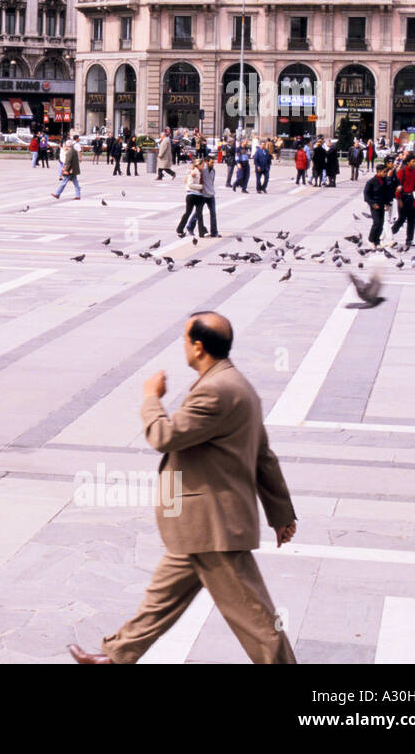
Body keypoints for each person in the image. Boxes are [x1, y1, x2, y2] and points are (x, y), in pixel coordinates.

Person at [68, 312, 297, 665]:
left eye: (185, 341)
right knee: (161, 599)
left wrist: (151, 398)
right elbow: (263, 456)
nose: (184, 347)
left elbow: (164, 436)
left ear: (199, 347)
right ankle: (115, 657)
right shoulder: (237, 385)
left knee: (257, 620)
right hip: (198, 524)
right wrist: (280, 514)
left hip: (214, 526)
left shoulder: (217, 392)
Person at [391, 154, 415, 248]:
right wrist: (399, 199)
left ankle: (409, 240)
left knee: (412, 219)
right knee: (401, 218)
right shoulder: (402, 171)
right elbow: (397, 186)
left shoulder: (414, 172)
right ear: (408, 162)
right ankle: (390, 233)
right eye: (413, 161)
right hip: (403, 197)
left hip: (411, 197)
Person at [176, 160, 206, 238]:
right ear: (198, 165)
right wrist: (201, 187)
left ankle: (201, 232)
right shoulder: (194, 172)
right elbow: (190, 185)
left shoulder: (200, 172)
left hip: (199, 195)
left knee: (199, 214)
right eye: (202, 165)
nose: (203, 166)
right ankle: (179, 229)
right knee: (188, 213)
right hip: (192, 195)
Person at [52, 135, 82, 200]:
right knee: (76, 183)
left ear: (68, 146)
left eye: (66, 145)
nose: (65, 147)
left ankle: (57, 194)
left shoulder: (69, 152)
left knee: (63, 183)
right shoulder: (74, 151)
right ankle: (78, 195)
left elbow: (68, 162)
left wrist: (66, 169)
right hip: (74, 170)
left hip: (70, 171)